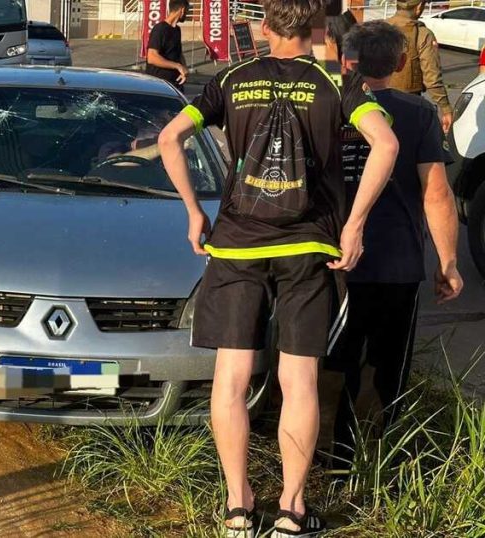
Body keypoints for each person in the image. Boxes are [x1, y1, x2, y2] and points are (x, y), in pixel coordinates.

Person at [157, 1, 399, 536]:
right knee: (299, 378)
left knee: (232, 378)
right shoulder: (336, 83)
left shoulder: (232, 79)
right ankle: (292, 509)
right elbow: (386, 143)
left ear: (265, 29)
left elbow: (168, 138)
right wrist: (354, 224)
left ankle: (238, 507)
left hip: (237, 245)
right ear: (314, 30)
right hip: (309, 248)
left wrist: (195, 212)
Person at [326, 20, 463, 468]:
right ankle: (377, 456)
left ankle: (330, 456)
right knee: (387, 364)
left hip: (329, 259)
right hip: (396, 263)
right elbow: (437, 193)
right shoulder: (417, 113)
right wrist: (447, 261)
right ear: (402, 63)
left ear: (347, 61)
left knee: (329, 359)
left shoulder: (327, 104)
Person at [386, 0, 453, 133]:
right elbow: (432, 78)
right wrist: (446, 108)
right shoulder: (422, 34)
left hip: (374, 101)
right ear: (419, 7)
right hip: (407, 104)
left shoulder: (378, 27)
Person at [144, 0, 190, 90]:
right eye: (187, 11)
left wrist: (184, 70)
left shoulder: (177, 30)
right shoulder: (160, 29)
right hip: (158, 84)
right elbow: (152, 57)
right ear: (182, 10)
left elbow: (178, 53)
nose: (187, 14)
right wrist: (178, 66)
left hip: (174, 83)